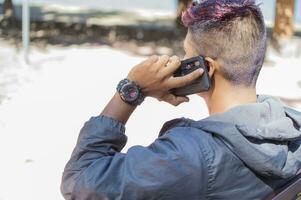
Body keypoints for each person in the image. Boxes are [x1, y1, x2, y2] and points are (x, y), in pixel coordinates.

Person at [61, 0, 301, 199]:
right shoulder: (294, 128)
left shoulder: (189, 156)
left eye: (187, 54)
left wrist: (131, 91)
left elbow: (80, 180)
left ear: (205, 68)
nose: (181, 61)